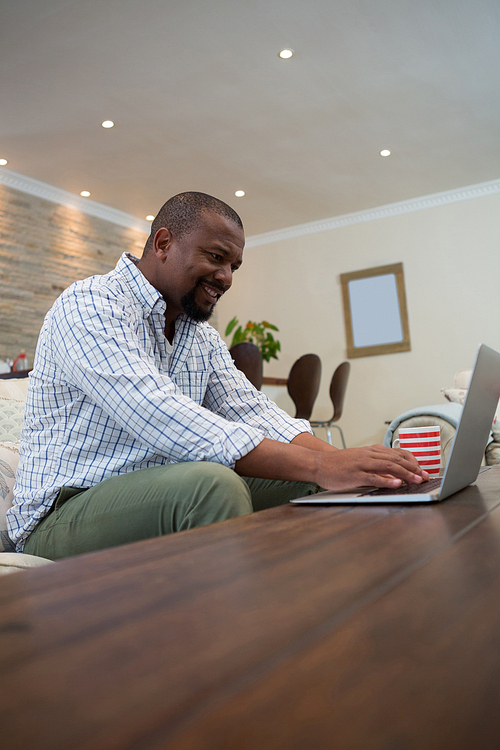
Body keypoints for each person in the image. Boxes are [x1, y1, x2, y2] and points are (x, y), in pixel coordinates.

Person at [9, 192, 427, 559]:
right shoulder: (89, 306)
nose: (226, 277)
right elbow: (160, 415)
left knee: (315, 484)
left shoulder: (199, 336)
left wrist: (340, 463)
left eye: (234, 265)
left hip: (159, 488)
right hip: (62, 514)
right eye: (216, 257)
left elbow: (254, 412)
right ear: (163, 243)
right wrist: (319, 462)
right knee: (214, 485)